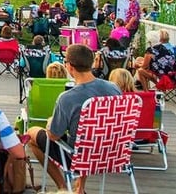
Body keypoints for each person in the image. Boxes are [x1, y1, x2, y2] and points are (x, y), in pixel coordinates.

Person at [26, 44, 122, 194]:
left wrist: (51, 121)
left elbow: (53, 135)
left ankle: (63, 187)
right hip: (112, 152)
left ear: (69, 66)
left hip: (79, 156)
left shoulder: (68, 98)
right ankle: (79, 188)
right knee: (87, 134)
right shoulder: (114, 88)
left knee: (32, 133)